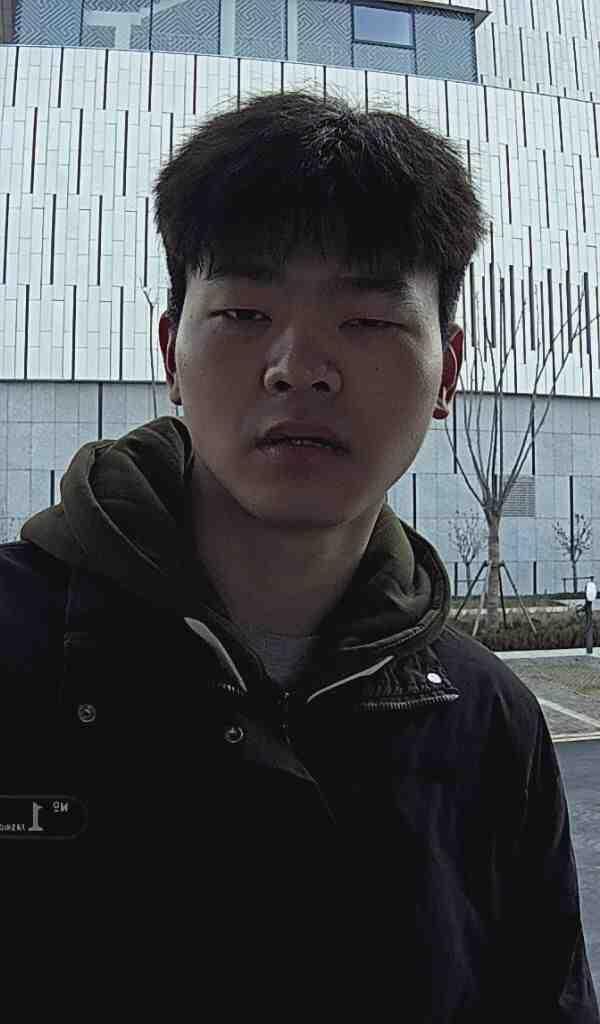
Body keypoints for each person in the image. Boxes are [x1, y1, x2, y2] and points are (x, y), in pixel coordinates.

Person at [1, 89, 598, 1019]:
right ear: (170, 351)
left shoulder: (490, 726)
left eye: (366, 322)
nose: (298, 367)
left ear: (448, 371)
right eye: (245, 313)